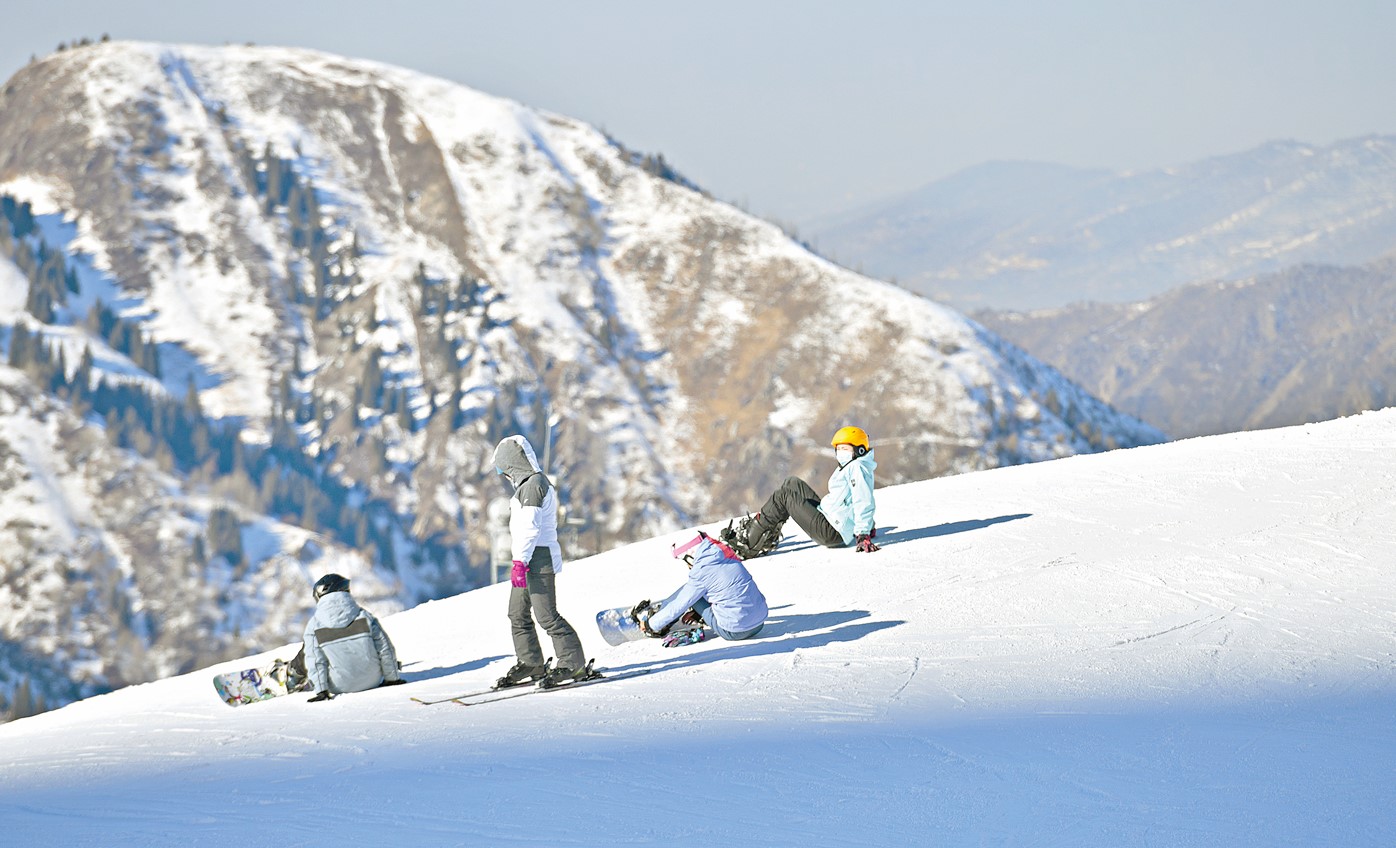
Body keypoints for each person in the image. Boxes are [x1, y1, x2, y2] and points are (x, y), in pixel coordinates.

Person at [492, 434, 593, 688]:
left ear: (513, 464)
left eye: (505, 470)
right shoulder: (525, 487)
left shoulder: (534, 485)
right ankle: (531, 662)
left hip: (538, 559)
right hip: (526, 558)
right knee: (517, 613)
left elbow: (529, 528)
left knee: (546, 615)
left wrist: (519, 563)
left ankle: (573, 663)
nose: (506, 476)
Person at [722, 425, 880, 559]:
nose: (840, 452)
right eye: (838, 448)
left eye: (845, 448)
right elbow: (855, 496)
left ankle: (748, 545)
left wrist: (863, 532)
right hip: (829, 516)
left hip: (832, 531)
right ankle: (767, 536)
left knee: (783, 496)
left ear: (859, 449)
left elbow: (863, 499)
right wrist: (869, 525)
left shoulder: (856, 467)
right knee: (792, 482)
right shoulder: (854, 465)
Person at [636, 531, 768, 645]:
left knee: (691, 594)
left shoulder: (702, 571)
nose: (688, 565)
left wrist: (650, 625)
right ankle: (687, 614)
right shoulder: (725, 556)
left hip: (734, 632)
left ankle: (661, 622)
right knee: (701, 590)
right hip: (759, 623)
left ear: (690, 555)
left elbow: (680, 603)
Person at [302, 573, 403, 702]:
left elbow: (315, 660)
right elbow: (384, 648)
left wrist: (321, 691)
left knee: (311, 651)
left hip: (339, 686)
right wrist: (392, 679)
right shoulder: (364, 616)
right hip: (372, 680)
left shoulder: (314, 625)